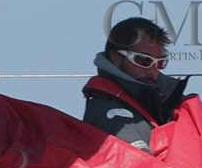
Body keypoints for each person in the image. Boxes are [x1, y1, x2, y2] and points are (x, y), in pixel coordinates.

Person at [81, 17, 190, 150]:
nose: (153, 72)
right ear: (115, 57)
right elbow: (141, 166)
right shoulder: (108, 113)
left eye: (160, 62)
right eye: (143, 60)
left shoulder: (171, 107)